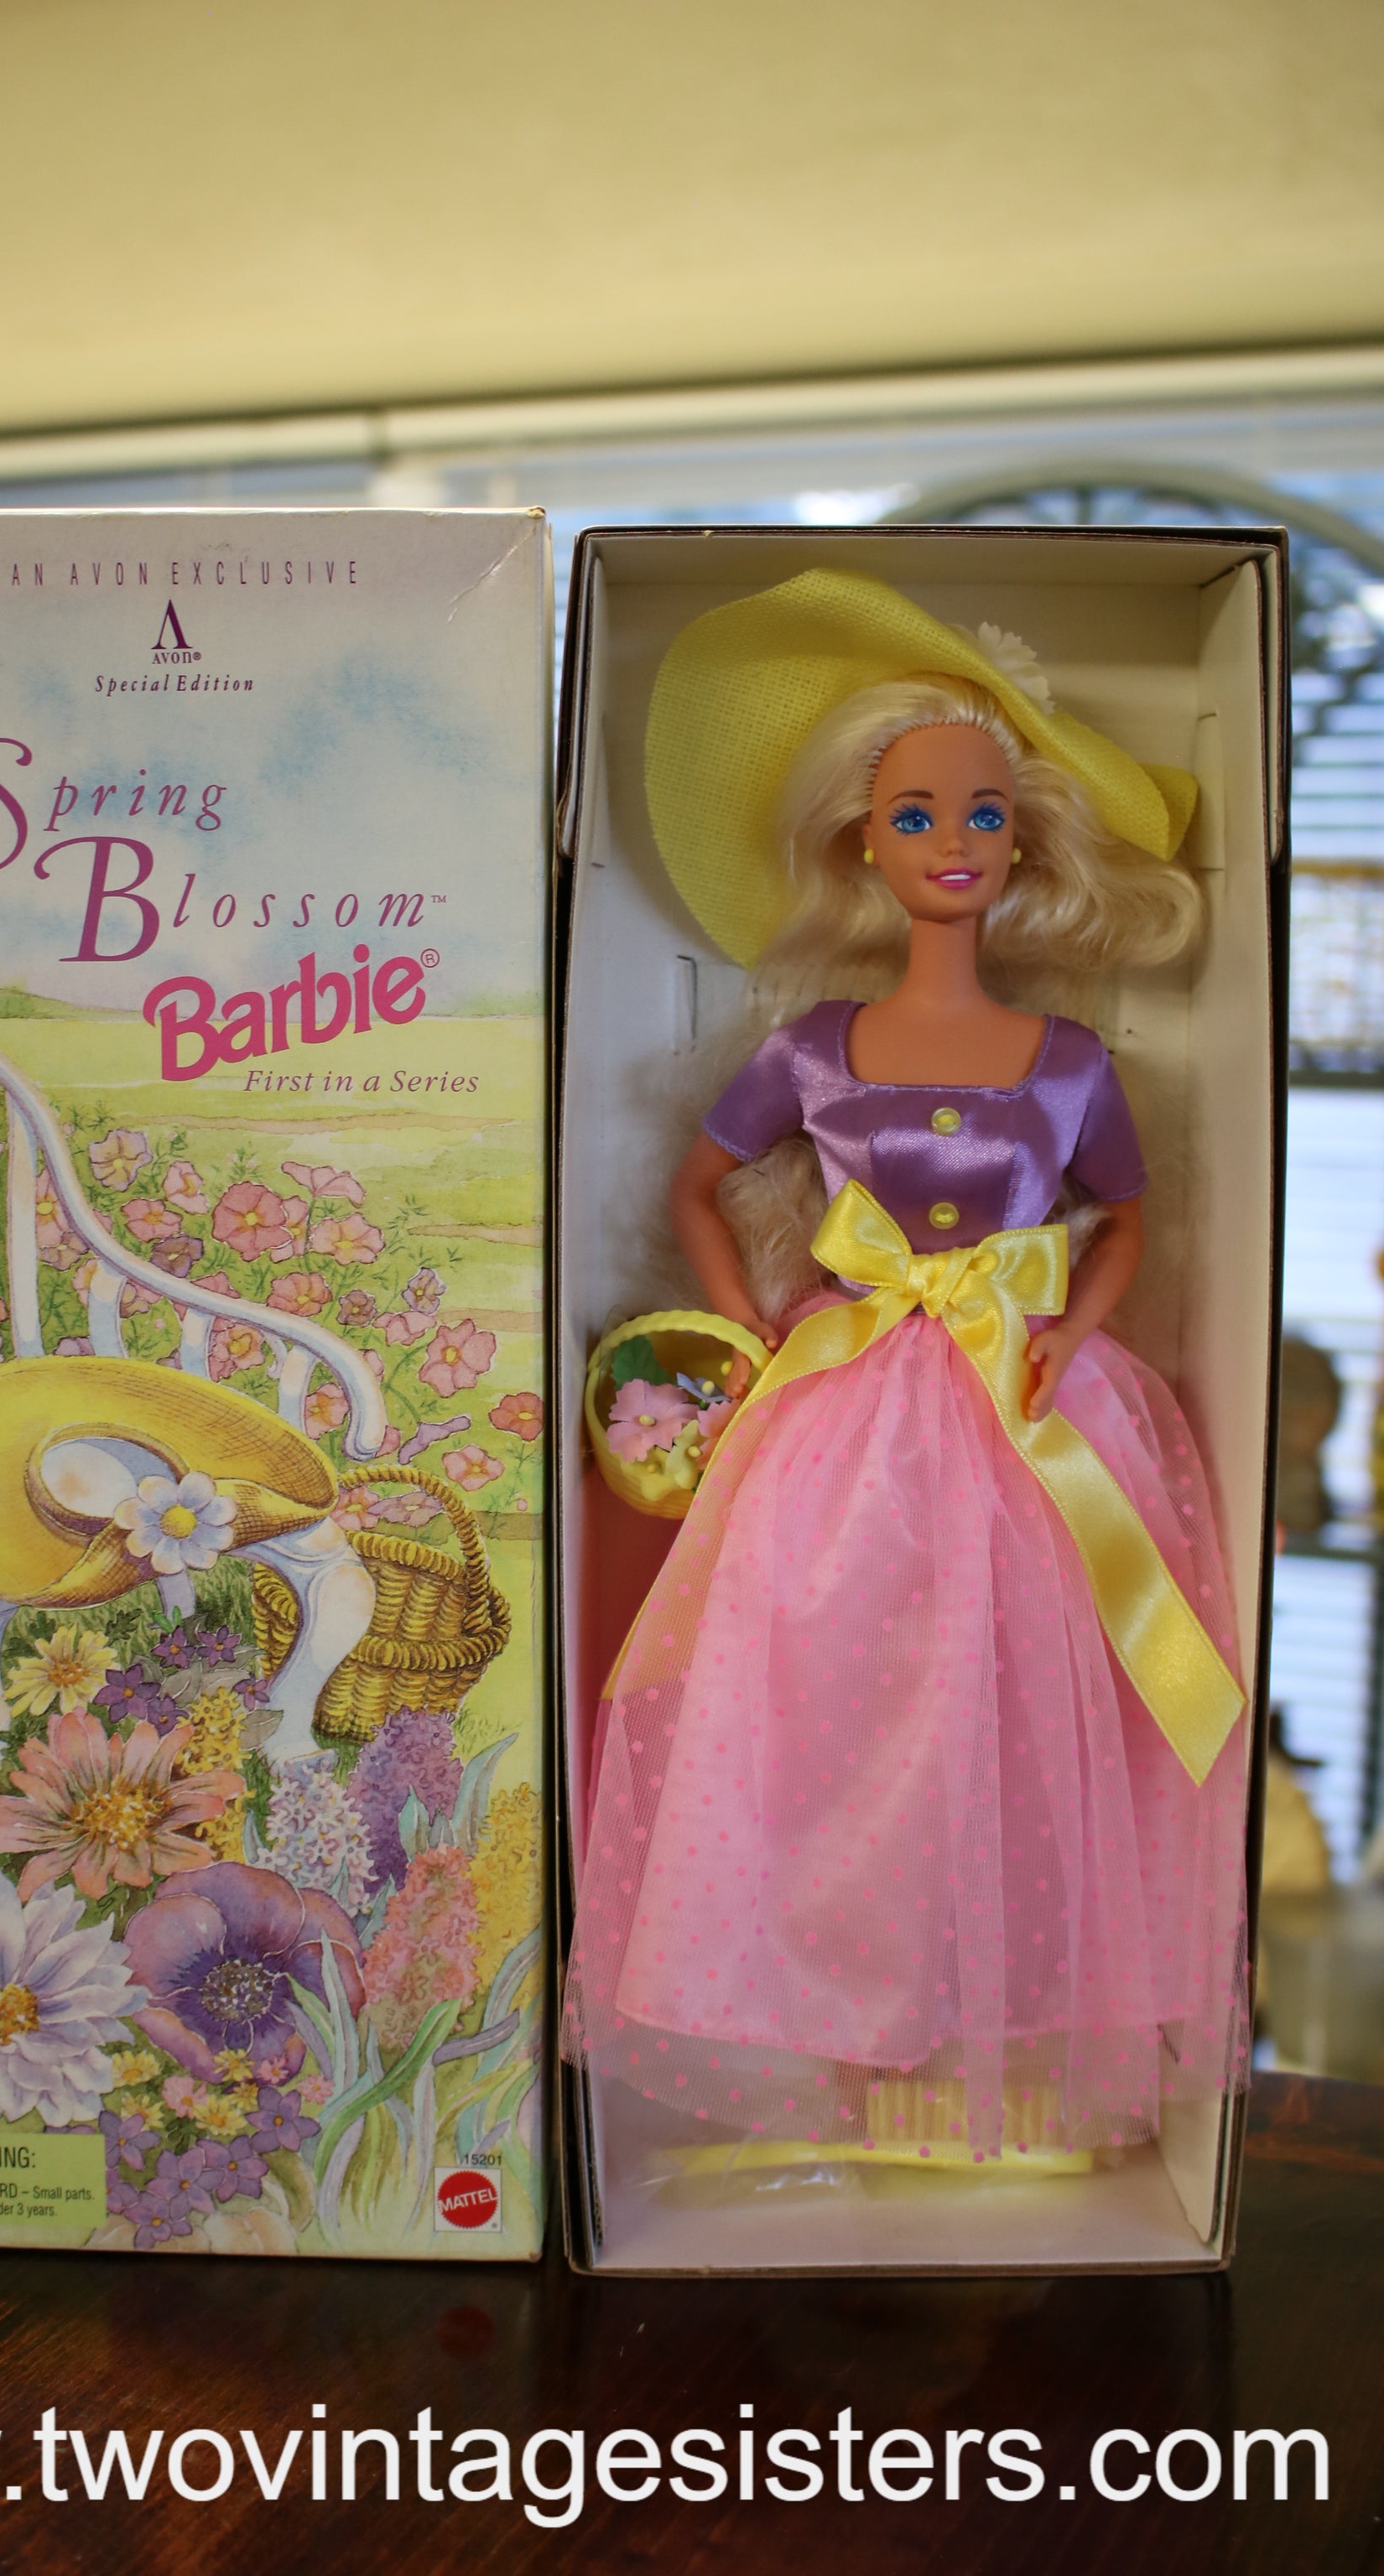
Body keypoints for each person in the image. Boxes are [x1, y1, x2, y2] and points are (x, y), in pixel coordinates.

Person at [564, 569, 1251, 2171]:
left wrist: (1072, 1326)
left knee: (1019, 1690)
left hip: (1024, 1397)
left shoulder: (1068, 1064)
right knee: (824, 1678)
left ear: (1027, 845)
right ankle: (844, 2028)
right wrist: (752, 1327)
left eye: (985, 815)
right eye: (919, 814)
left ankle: (987, 2036)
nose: (955, 842)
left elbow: (1126, 1219)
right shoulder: (812, 1052)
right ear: (859, 841)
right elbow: (699, 1189)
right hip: (852, 1387)